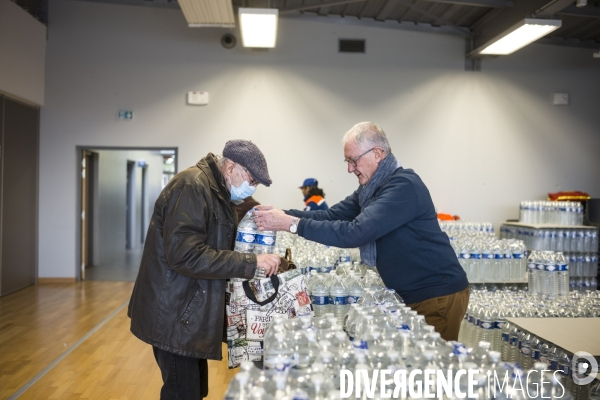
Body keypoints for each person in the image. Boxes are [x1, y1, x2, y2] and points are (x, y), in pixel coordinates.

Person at [254, 122, 469, 341]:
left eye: (353, 160)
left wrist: (291, 224)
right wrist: (282, 214)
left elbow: (355, 233)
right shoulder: (371, 189)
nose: (350, 168)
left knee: (427, 368)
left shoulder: (403, 187)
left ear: (377, 153)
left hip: (437, 295)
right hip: (412, 293)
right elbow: (331, 215)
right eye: (347, 161)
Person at [128, 140, 281, 400]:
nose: (251, 188)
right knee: (182, 393)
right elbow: (185, 255)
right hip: (175, 316)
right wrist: (251, 263)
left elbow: (215, 242)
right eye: (251, 180)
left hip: (189, 314)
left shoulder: (218, 192)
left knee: (195, 391)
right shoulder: (192, 186)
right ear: (230, 167)